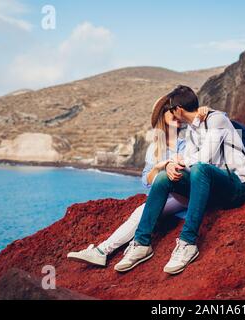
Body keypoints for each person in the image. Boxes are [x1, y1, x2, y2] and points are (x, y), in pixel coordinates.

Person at [118, 85, 245, 275]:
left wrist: (180, 161)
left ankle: (188, 242)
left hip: (237, 185)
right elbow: (190, 163)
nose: (171, 114)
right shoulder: (192, 130)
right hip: (212, 187)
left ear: (179, 109)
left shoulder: (216, 119)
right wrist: (171, 166)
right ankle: (142, 243)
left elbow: (204, 158)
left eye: (171, 109)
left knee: (201, 168)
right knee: (164, 177)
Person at [67, 95, 210, 271]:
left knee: (141, 211)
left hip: (187, 192)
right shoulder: (154, 147)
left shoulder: (188, 141)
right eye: (169, 110)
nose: (174, 114)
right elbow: (146, 180)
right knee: (143, 209)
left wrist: (203, 115)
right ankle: (103, 251)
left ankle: (103, 250)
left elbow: (198, 163)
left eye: (175, 110)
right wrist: (161, 166)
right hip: (168, 195)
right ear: (162, 116)